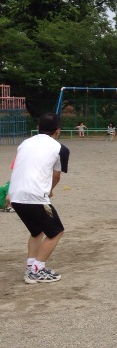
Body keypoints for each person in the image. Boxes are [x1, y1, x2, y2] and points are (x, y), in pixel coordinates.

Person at [8, 113, 70, 283]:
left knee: (37, 231)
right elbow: (56, 176)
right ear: (57, 130)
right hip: (35, 196)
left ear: (37, 128)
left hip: (15, 195)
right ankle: (36, 270)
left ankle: (30, 266)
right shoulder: (61, 149)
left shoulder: (24, 144)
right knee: (56, 231)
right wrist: (49, 191)